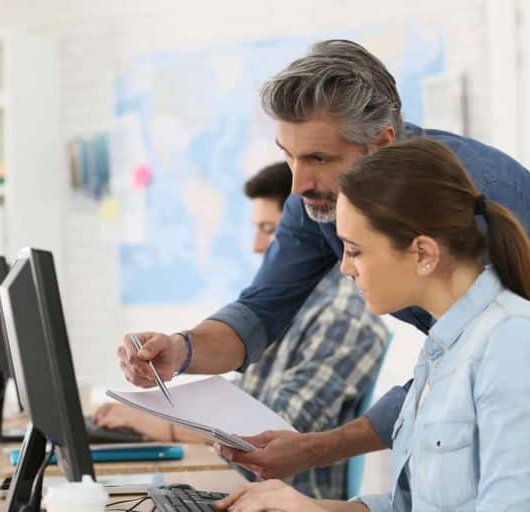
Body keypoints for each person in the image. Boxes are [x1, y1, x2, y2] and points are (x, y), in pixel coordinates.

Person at [118, 40, 530, 510]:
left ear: (380, 142)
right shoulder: (323, 205)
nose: (299, 184)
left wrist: (315, 454)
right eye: (288, 157)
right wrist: (180, 350)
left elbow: (487, 365)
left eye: (319, 159)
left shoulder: (471, 212)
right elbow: (261, 311)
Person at [216, 137, 530, 511]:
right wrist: (311, 509)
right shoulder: (444, 347)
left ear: (423, 253)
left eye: (355, 250)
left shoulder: (514, 344)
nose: (346, 268)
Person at [97, 161, 388, 499]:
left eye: (269, 230)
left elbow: (273, 431)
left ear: (307, 233)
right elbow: (248, 396)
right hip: (243, 489)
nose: (257, 245)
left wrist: (162, 427)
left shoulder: (342, 320)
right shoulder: (286, 309)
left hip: (286, 498)